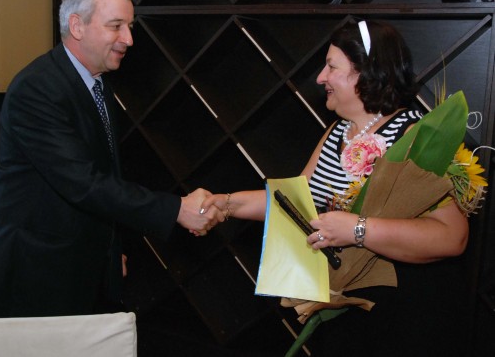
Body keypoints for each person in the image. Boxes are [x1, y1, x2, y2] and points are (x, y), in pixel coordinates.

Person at [201, 20, 469, 356]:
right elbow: (297, 203)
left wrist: (357, 230)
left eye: (331, 66)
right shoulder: (336, 133)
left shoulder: (413, 137)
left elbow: (452, 236)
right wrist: (225, 204)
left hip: (400, 315)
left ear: (367, 72)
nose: (320, 78)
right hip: (346, 313)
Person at [0, 0, 223, 318]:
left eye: (130, 27)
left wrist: (108, 251)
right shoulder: (37, 88)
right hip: (30, 272)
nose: (129, 39)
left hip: (73, 265)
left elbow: (104, 175)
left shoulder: (96, 83)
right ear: (77, 26)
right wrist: (176, 209)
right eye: (116, 26)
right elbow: (83, 182)